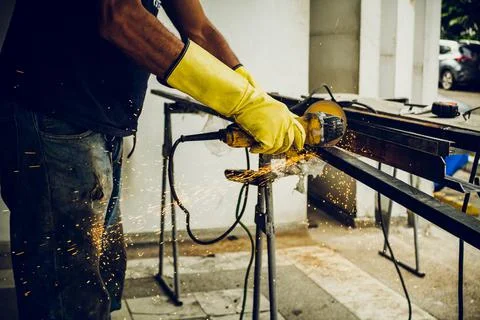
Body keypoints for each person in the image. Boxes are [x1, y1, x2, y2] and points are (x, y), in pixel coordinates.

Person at [0, 1, 306, 319]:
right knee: (69, 292)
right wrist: (238, 101)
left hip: (99, 121)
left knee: (102, 268)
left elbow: (197, 27)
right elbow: (120, 16)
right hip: (51, 113)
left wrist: (251, 91)